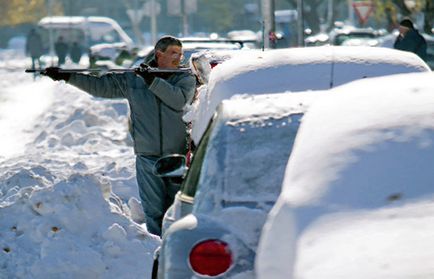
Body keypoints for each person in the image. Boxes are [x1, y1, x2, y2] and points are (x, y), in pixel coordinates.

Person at [42, 36, 196, 236]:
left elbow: (178, 101)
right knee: (154, 212)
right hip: (147, 156)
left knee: (177, 210)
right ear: (159, 54)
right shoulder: (134, 79)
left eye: (180, 54)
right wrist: (68, 76)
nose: (179, 58)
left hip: (176, 157)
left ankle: (177, 246)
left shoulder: (185, 78)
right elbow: (101, 86)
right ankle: (159, 250)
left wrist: (152, 81)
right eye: (173, 53)